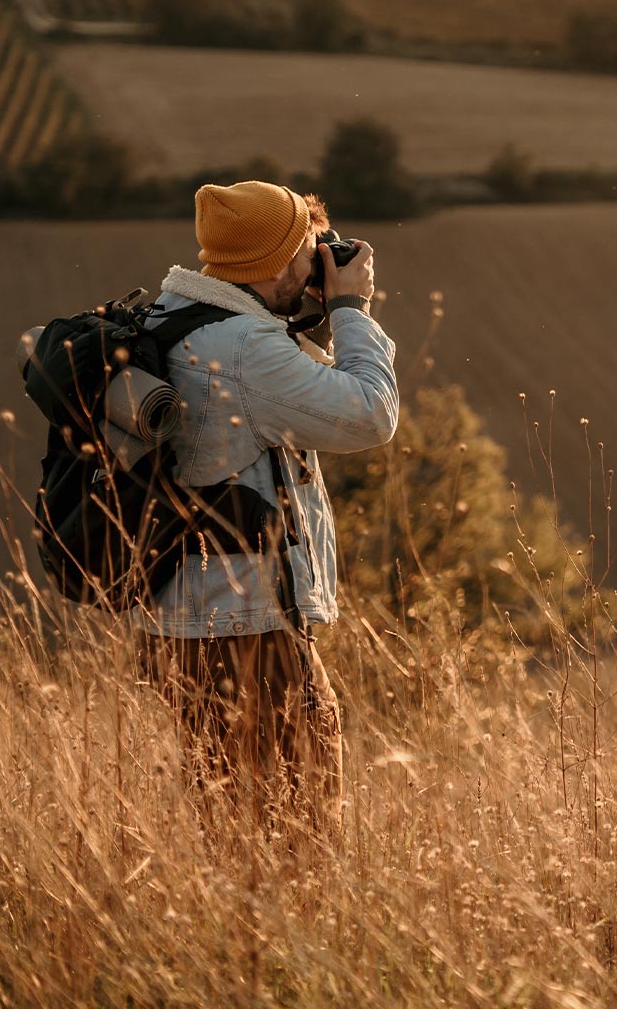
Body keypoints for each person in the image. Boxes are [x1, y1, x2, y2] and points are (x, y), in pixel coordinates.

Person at [136, 179, 400, 828]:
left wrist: (309, 307)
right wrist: (352, 308)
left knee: (232, 821)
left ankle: (237, 928)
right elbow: (370, 416)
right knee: (299, 823)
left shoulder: (173, 317)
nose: (321, 259)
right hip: (249, 626)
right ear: (281, 260)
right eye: (310, 248)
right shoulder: (245, 348)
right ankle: (287, 931)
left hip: (178, 621)